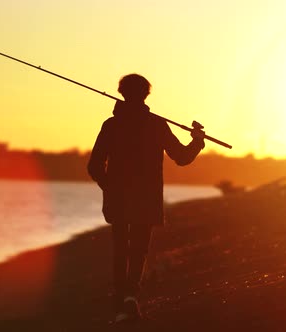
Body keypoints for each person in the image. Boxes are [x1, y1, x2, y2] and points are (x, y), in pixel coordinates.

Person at [87, 74, 205, 323]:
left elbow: (94, 166)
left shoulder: (111, 125)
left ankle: (121, 303)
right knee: (138, 249)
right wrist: (197, 141)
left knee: (121, 249)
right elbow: (182, 157)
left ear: (121, 93)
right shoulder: (156, 125)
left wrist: (109, 186)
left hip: (119, 198)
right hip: (146, 198)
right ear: (146, 95)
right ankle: (130, 297)